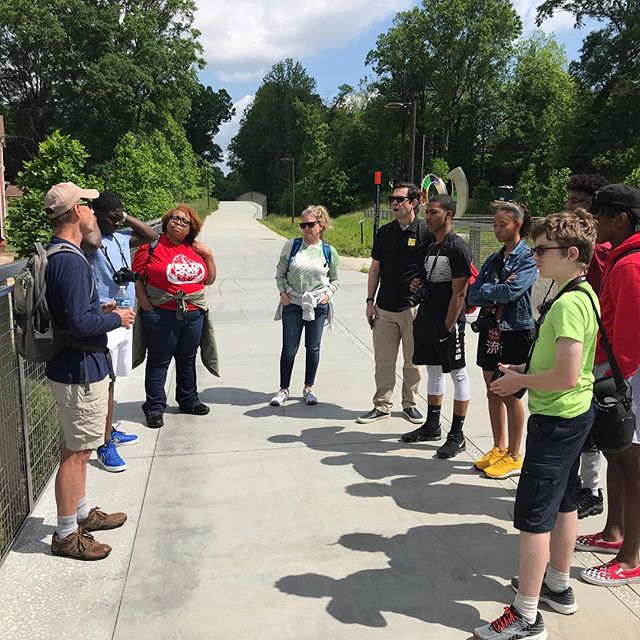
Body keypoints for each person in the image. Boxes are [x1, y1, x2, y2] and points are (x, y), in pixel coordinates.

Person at [474, 209, 598, 640]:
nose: (536, 255)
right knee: (564, 502)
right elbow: (570, 366)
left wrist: (519, 381)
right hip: (573, 414)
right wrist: (526, 366)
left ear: (572, 253)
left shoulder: (566, 304)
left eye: (543, 249)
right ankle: (557, 585)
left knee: (533, 516)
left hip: (556, 419)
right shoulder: (583, 293)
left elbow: (564, 375)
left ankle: (526, 615)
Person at [43, 182, 136, 560]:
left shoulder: (63, 254)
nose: (94, 213)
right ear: (77, 212)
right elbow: (80, 325)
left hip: (79, 365)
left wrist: (101, 309)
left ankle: (82, 514)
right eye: (89, 206)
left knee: (80, 447)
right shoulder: (69, 260)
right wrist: (115, 316)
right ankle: (67, 534)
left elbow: (74, 316)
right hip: (78, 370)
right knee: (77, 452)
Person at [576, 184, 640, 587]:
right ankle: (613, 532)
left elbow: (630, 341)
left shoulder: (631, 265)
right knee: (617, 459)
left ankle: (632, 557)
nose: (594, 221)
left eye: (599, 214)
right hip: (620, 373)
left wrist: (608, 383)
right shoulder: (619, 257)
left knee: (632, 465)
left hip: (629, 377)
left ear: (620, 218)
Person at [84, 192, 158, 472]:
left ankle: (109, 430)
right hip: (103, 316)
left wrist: (122, 216)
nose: (116, 222)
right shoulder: (90, 241)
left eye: (119, 217)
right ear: (96, 215)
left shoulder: (121, 236)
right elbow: (92, 239)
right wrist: (95, 216)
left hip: (124, 315)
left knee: (113, 379)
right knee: (105, 381)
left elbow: (150, 235)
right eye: (110, 218)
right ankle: (104, 445)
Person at [468, 203, 537, 479]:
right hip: (490, 329)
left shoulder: (527, 257)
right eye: (494, 225)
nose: (497, 230)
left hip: (515, 331)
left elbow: (512, 291)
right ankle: (498, 447)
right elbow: (473, 294)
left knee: (509, 393)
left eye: (502, 225)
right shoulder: (495, 259)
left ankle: (514, 454)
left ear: (517, 225)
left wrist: (492, 290)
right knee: (492, 390)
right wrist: (492, 290)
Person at [132, 204, 217, 428]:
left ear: (192, 228)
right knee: (160, 360)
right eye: (174, 218)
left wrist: (208, 254)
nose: (178, 223)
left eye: (183, 221)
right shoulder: (151, 246)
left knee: (188, 358)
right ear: (166, 221)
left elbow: (208, 280)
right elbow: (137, 279)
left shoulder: (195, 249)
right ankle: (154, 407)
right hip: (162, 313)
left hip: (193, 313)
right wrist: (148, 308)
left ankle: (188, 400)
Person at [357, 181, 434, 425]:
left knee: (412, 361)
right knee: (384, 361)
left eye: (400, 199)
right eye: (392, 199)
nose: (394, 203)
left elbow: (434, 269)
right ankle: (381, 405)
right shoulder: (384, 233)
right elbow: (375, 268)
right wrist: (370, 301)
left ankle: (410, 403)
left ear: (414, 203)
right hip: (384, 308)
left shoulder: (425, 233)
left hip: (413, 309)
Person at [402, 194, 473, 459]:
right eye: (427, 212)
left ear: (448, 215)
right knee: (433, 371)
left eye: (433, 212)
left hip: (448, 323)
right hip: (427, 318)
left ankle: (457, 434)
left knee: (458, 373)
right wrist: (418, 283)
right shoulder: (433, 246)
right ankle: (433, 425)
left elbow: (460, 293)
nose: (427, 217)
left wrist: (448, 326)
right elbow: (432, 280)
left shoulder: (458, 248)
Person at [565, 174, 610, 519]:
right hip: (578, 342)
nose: (570, 206)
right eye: (569, 200)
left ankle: (592, 490)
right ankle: (578, 482)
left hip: (597, 349)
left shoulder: (603, 253)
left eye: (578, 201)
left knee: (591, 425)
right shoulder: (578, 246)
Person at [270, 205, 339, 407]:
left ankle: (308, 388)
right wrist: (283, 293)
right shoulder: (291, 246)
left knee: (313, 348)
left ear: (321, 225)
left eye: (311, 224)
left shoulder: (328, 251)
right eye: (303, 224)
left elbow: (335, 280)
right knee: (289, 349)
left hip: (318, 305)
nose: (306, 228)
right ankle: (283, 389)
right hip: (293, 303)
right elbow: (279, 273)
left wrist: (327, 295)